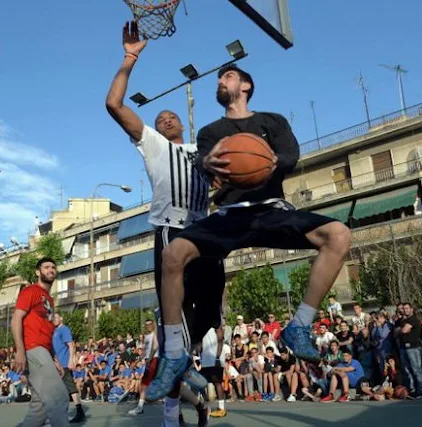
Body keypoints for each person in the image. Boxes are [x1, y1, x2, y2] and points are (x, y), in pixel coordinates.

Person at [148, 62, 352, 399]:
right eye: (219, 78)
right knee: (173, 254)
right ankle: (172, 353)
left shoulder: (272, 122)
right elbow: (202, 160)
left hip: (271, 209)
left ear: (246, 85)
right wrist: (206, 163)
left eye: (227, 76)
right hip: (229, 215)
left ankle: (299, 325)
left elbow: (291, 154)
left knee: (339, 235)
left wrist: (274, 162)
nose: (220, 81)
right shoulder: (211, 131)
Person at [105, 21, 218, 427]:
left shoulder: (202, 151)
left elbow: (226, 183)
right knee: (172, 334)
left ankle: (190, 375)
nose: (168, 119)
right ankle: (173, 415)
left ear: (183, 125)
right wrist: (129, 58)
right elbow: (115, 104)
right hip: (173, 230)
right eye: (162, 117)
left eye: (172, 116)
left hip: (204, 233)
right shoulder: (152, 144)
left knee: (208, 318)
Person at [11, 257, 69, 427]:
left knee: (40, 408)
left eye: (53, 267)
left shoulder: (49, 300)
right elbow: (16, 319)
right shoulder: (31, 291)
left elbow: (48, 331)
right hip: (32, 348)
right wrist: (20, 351)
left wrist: (54, 359)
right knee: (58, 397)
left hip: (43, 350)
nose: (51, 270)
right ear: (38, 272)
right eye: (46, 267)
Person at [52, 313, 86, 423]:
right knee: (59, 390)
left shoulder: (64, 329)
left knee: (70, 388)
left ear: (61, 318)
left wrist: (71, 360)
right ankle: (61, 413)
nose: (54, 320)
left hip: (64, 364)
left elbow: (71, 345)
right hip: (57, 365)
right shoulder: (54, 331)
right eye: (53, 318)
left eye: (56, 317)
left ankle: (80, 412)